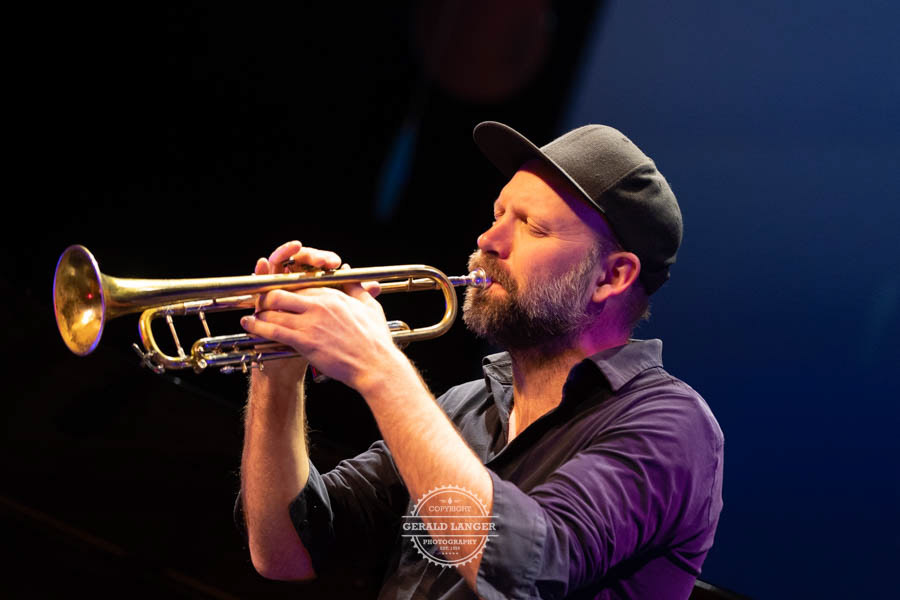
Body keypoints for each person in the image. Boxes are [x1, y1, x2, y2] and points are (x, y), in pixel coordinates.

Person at [235, 121, 724, 599]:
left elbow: (525, 572)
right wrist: (278, 370)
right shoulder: (466, 407)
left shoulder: (671, 426)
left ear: (611, 276)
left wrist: (379, 367)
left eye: (531, 226)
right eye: (498, 215)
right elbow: (285, 552)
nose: (489, 241)